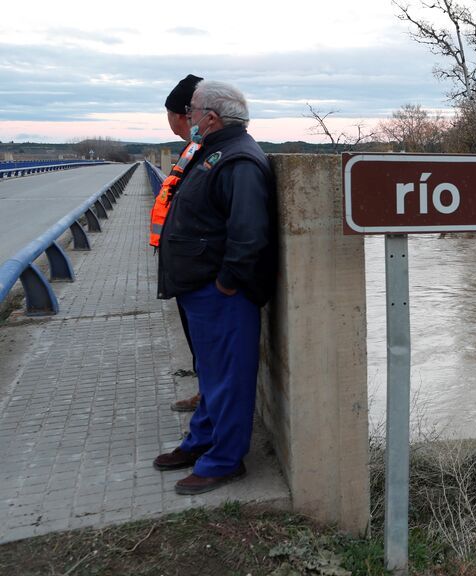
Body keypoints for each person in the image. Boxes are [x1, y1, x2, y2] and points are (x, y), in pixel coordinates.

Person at [152, 80, 277, 495]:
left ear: (211, 117)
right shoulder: (214, 151)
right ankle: (201, 442)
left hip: (221, 294)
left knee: (228, 378)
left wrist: (225, 284)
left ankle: (225, 461)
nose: (188, 118)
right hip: (199, 289)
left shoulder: (238, 159)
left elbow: (249, 233)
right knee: (211, 375)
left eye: (192, 111)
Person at [153, 73, 204, 413]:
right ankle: (204, 394)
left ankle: (208, 401)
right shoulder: (193, 149)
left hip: (199, 268)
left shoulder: (204, 149)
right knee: (197, 340)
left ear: (178, 116)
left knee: (205, 342)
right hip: (184, 265)